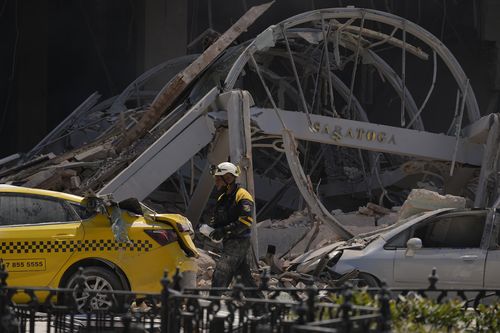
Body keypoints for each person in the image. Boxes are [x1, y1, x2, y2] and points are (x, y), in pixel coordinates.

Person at [208, 162, 264, 300]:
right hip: (229, 241)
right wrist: (214, 228)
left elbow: (245, 221)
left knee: (221, 272)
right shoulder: (223, 198)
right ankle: (262, 308)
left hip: (239, 241)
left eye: (218, 178)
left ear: (228, 178)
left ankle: (211, 305)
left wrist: (224, 230)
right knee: (244, 279)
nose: (215, 181)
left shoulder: (242, 195)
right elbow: (220, 219)